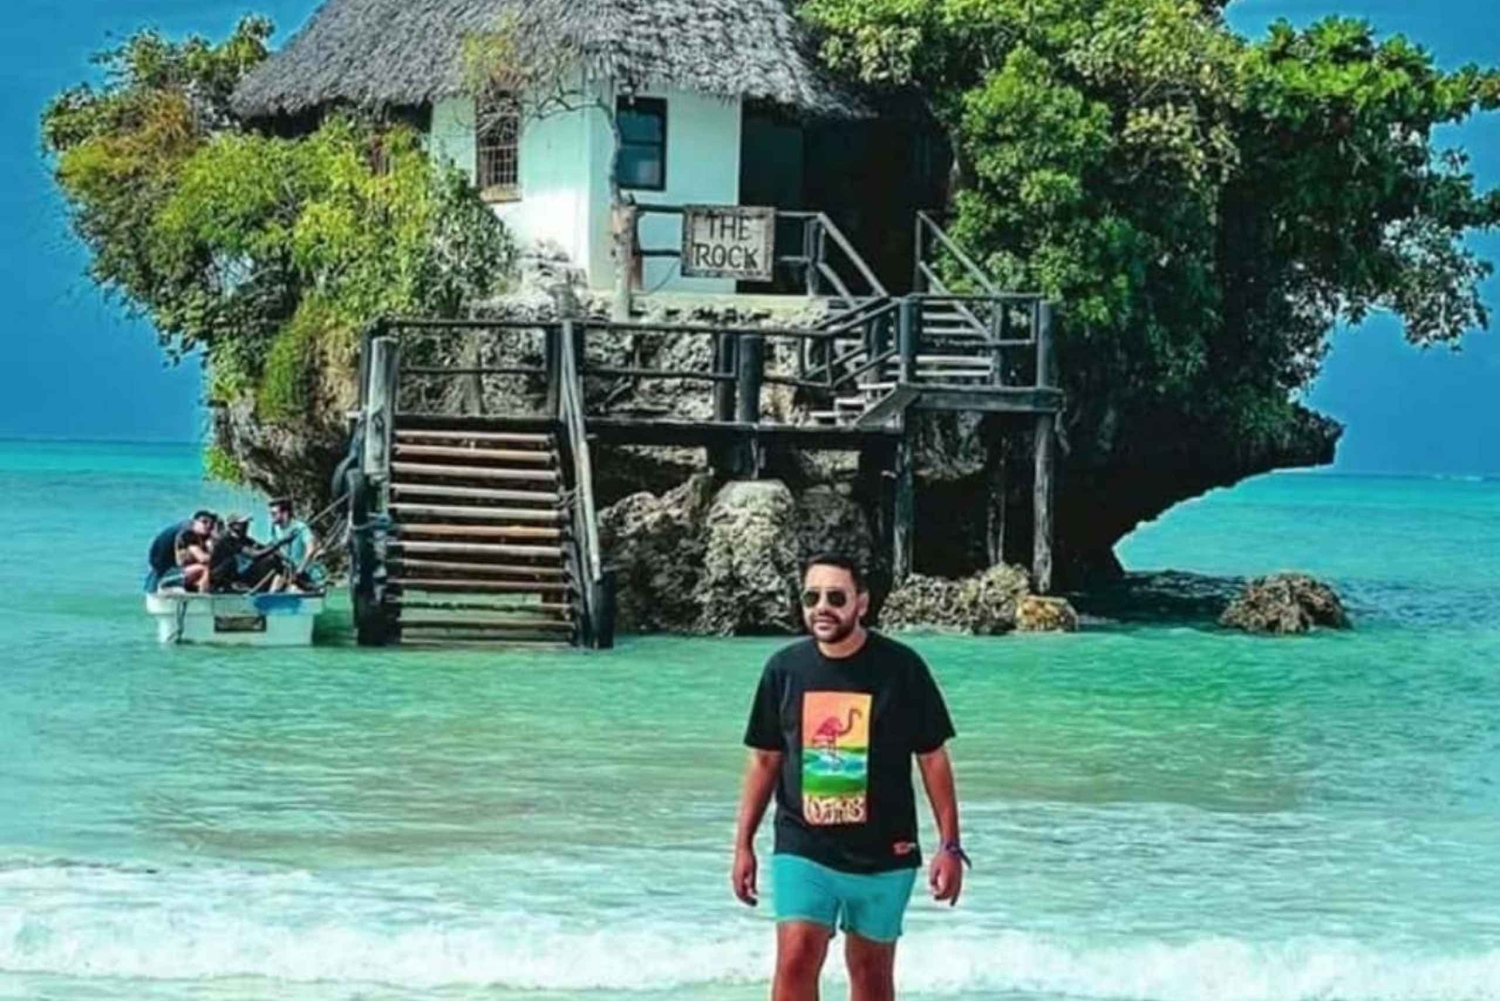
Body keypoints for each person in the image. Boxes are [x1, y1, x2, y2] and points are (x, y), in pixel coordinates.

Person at [733, 554, 967, 1001]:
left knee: (871, 976)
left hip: (885, 851)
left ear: (861, 603)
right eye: (812, 597)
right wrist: (742, 844)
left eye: (835, 597)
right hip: (803, 845)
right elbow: (764, 760)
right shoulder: (783, 670)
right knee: (796, 957)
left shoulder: (902, 668)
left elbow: (933, 758)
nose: (822, 607)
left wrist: (950, 846)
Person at [145, 510, 215, 593]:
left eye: (211, 524)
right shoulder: (188, 534)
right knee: (205, 569)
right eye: (204, 522)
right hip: (166, 573)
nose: (208, 526)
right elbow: (202, 558)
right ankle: (203, 595)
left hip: (163, 570)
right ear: (194, 522)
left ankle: (195, 588)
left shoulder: (185, 530)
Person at [267, 497, 326, 593]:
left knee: (294, 591)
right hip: (288, 572)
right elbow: (276, 548)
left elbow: (311, 549)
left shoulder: (300, 527)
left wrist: (300, 570)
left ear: (285, 513)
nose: (271, 517)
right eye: (270, 514)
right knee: (272, 592)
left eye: (274, 514)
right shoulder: (275, 528)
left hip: (307, 575)